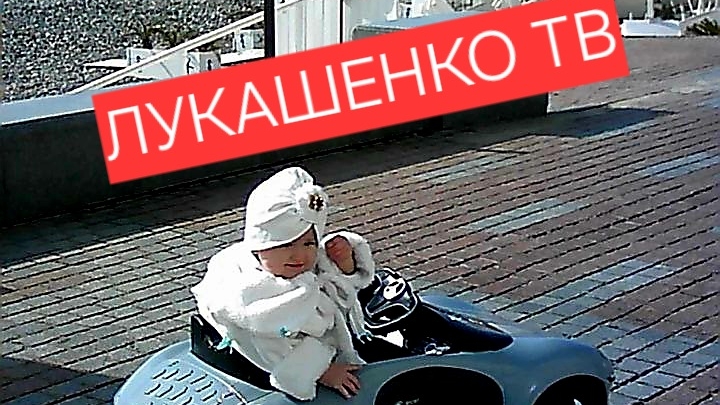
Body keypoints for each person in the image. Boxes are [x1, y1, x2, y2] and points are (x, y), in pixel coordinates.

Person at [190, 166, 377, 401]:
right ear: (259, 245)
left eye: (308, 243)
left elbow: (342, 290)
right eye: (286, 244)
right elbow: (271, 348)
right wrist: (323, 371)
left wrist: (344, 262)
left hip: (333, 342)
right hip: (287, 363)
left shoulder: (295, 267)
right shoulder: (256, 300)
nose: (299, 255)